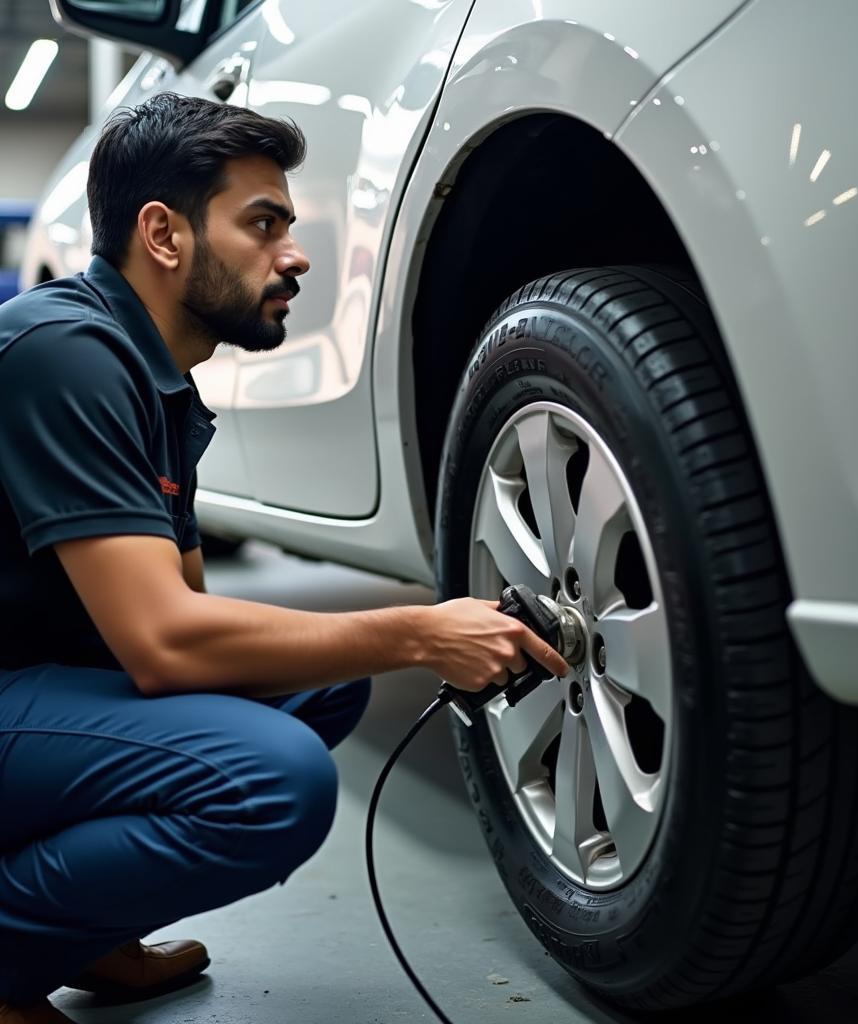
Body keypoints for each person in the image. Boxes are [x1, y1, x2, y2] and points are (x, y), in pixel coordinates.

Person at [0, 93, 569, 1024]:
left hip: (33, 683)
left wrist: (383, 644)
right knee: (273, 781)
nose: (295, 255)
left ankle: (84, 928)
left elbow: (188, 619)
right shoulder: (65, 352)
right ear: (164, 234)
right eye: (262, 225)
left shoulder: (157, 379)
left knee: (320, 686)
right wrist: (419, 633)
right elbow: (166, 647)